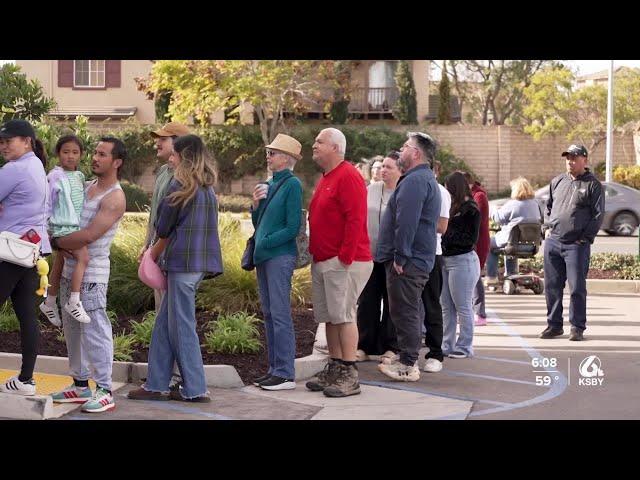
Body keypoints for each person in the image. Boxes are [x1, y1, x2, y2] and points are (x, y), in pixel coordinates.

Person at [127, 134, 222, 402]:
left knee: (181, 326)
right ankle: (156, 384)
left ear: (184, 156)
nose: (170, 158)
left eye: (174, 154)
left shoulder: (179, 185)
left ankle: (195, 389)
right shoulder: (207, 187)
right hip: (199, 265)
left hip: (181, 264)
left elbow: (163, 227)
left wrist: (151, 252)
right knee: (164, 325)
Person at [48, 137, 127, 412]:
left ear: (116, 162)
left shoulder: (115, 197)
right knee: (73, 332)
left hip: (92, 275)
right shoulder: (87, 186)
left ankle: (104, 389)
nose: (94, 157)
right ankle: (80, 385)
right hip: (70, 271)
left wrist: (56, 242)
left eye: (102, 154)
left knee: (95, 330)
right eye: (94, 152)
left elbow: (91, 235)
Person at [305, 128, 373, 397]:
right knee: (330, 318)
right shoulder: (326, 177)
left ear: (335, 147)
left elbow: (356, 219)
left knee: (344, 317)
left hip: (346, 261)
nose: (314, 145)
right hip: (325, 260)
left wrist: (344, 257)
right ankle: (335, 367)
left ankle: (349, 373)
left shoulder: (348, 176)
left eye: (319, 141)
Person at [376, 132, 441, 382]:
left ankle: (407, 364)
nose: (400, 150)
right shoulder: (420, 178)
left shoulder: (415, 181)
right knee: (406, 310)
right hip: (413, 259)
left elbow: (407, 223)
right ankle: (407, 359)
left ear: (415, 153)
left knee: (405, 311)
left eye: (404, 147)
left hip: (409, 261)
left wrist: (401, 258)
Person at [0, 119, 51, 396]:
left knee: (26, 315)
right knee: (26, 315)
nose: (4, 145)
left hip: (9, 251)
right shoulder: (36, 166)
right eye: (1, 141)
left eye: (9, 140)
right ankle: (25, 380)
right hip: (31, 252)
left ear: (27, 141)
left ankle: (25, 381)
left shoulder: (15, 168)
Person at [249, 134, 303, 391]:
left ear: (287, 158)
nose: (268, 156)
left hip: (279, 256)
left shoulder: (292, 185)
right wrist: (255, 206)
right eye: (268, 152)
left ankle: (285, 373)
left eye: (273, 153)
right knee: (269, 314)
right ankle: (274, 370)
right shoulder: (270, 183)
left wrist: (267, 241)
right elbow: (258, 223)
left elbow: (293, 227)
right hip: (266, 256)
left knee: (280, 314)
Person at [540, 144, 604, 341]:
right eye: (568, 158)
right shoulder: (558, 181)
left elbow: (598, 215)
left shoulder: (593, 184)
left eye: (574, 158)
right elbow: (548, 207)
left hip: (576, 245)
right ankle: (554, 325)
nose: (570, 161)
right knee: (552, 286)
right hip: (553, 243)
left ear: (584, 160)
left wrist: (584, 238)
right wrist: (547, 228)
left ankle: (577, 327)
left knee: (576, 287)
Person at [139, 121, 191, 311]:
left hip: (175, 257)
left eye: (163, 139)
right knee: (162, 312)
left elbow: (176, 221)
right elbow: (156, 214)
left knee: (174, 315)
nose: (157, 143)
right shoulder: (162, 172)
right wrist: (147, 245)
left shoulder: (187, 177)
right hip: (157, 252)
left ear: (178, 144)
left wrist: (155, 249)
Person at [39, 135, 91, 326]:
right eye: (66, 152)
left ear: (81, 155)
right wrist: (47, 230)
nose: (70, 156)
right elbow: (47, 203)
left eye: (75, 152)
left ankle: (49, 301)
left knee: (60, 262)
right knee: (83, 257)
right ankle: (74, 301)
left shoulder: (79, 176)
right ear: (58, 154)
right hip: (61, 228)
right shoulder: (54, 176)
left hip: (74, 226)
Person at [356, 151, 401, 363]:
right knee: (367, 301)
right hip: (370, 255)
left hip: (393, 258)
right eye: (382, 166)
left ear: (400, 171)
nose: (383, 170)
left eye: (388, 167)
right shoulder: (370, 190)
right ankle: (365, 345)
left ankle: (391, 347)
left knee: (392, 303)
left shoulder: (404, 192)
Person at [441, 171, 481, 359]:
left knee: (463, 306)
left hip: (463, 261)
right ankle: (447, 344)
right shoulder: (452, 206)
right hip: (447, 260)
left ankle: (465, 346)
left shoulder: (470, 209)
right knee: (447, 306)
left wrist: (446, 234)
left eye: (448, 188)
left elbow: (470, 239)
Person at [417, 159, 450, 373]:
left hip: (431, 255)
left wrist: (415, 222)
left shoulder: (440, 192)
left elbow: (442, 226)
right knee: (404, 308)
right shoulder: (409, 186)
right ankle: (400, 351)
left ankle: (435, 353)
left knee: (431, 305)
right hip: (408, 255)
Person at [485, 176, 541, 285]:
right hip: (531, 245)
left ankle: (492, 277)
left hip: (513, 242)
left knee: (489, 243)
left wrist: (493, 209)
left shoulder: (513, 204)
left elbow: (497, 218)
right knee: (511, 243)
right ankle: (511, 274)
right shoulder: (535, 204)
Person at [462, 172, 490, 326]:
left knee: (475, 276)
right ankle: (477, 311)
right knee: (472, 277)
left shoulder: (478, 196)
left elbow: (474, 220)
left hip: (478, 241)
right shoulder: (473, 195)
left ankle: (480, 313)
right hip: (474, 240)